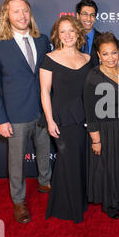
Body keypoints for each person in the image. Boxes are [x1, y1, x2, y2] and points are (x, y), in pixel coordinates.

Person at [0, 0, 51, 224]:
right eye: (16, 11)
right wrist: (1, 120)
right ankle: (19, 200)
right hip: (15, 116)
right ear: (6, 15)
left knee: (44, 153)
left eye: (25, 10)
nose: (22, 15)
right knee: (16, 162)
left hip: (43, 112)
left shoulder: (42, 40)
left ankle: (45, 183)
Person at [40, 15, 91, 223]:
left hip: (84, 118)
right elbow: (44, 92)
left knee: (81, 160)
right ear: (57, 35)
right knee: (67, 161)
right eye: (63, 31)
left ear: (78, 32)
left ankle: (80, 200)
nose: (68, 35)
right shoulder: (49, 58)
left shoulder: (87, 59)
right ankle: (67, 207)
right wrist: (50, 120)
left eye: (71, 30)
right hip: (62, 119)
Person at [83, 32, 119, 219]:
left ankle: (118, 198)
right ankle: (109, 203)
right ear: (98, 55)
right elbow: (89, 110)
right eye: (105, 54)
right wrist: (96, 139)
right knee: (107, 167)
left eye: (113, 53)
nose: (110, 58)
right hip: (104, 129)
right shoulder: (93, 75)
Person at [76, 0, 101, 67]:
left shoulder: (102, 40)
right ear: (78, 16)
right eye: (85, 14)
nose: (89, 19)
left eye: (92, 15)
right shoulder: (70, 39)